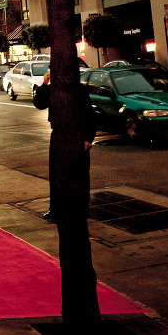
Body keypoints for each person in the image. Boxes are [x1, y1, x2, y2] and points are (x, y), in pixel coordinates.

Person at [34, 68, 96, 221]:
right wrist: (44, 85)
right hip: (58, 133)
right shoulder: (52, 89)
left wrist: (88, 138)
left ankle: (81, 208)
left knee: (80, 174)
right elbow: (39, 104)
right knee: (56, 173)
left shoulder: (79, 90)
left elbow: (89, 115)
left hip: (78, 134)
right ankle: (56, 209)